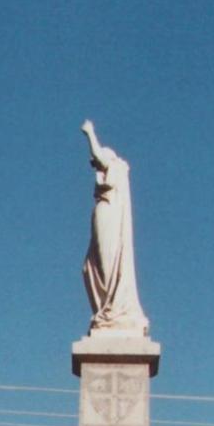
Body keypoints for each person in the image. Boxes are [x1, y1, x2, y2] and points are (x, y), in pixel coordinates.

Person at [81, 119, 149, 335]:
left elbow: (100, 156)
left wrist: (90, 133)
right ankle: (106, 308)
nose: (95, 166)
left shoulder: (117, 167)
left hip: (109, 218)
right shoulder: (104, 190)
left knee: (109, 262)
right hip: (102, 215)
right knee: (89, 268)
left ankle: (114, 309)